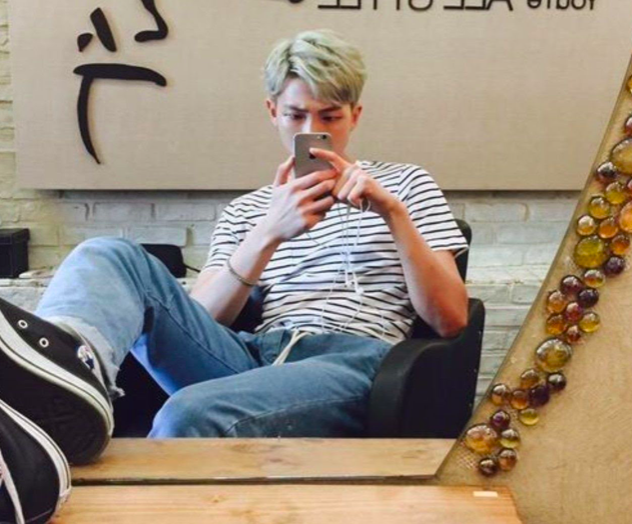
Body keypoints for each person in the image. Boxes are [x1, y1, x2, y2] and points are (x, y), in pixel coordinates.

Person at [0, 30, 469, 488]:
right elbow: (200, 320)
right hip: (251, 356)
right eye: (296, 115)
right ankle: (66, 373)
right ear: (273, 111)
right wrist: (268, 232)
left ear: (355, 116)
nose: (311, 131)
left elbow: (450, 319)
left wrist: (392, 214)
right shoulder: (248, 210)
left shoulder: (405, 186)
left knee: (188, 414)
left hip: (350, 363)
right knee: (106, 252)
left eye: (329, 116)